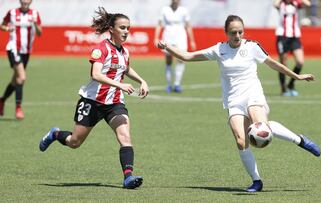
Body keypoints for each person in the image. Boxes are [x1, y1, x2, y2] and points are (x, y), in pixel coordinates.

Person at [157, 15, 320, 192]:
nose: (237, 35)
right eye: (233, 32)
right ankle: (256, 181)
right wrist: (167, 47)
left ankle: (300, 140)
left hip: (252, 94)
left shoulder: (252, 47)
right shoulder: (219, 49)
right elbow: (188, 56)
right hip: (233, 100)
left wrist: (296, 76)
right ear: (226, 33)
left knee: (262, 125)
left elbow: (273, 64)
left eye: (240, 32)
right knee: (241, 141)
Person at [38, 7, 149, 189]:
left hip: (114, 103)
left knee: (125, 136)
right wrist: (120, 85)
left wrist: (142, 80)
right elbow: (96, 74)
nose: (126, 32)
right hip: (92, 102)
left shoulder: (124, 52)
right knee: (75, 142)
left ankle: (128, 177)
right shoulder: (101, 49)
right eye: (122, 28)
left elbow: (126, 69)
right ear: (111, 29)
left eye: (128, 28)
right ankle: (55, 134)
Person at [0, 0, 42, 119]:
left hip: (26, 51)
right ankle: (18, 108)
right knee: (22, 77)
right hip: (13, 48)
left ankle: (2, 100)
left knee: (15, 80)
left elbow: (39, 33)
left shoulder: (34, 14)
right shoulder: (12, 12)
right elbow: (2, 25)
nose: (25, 1)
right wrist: (7, 29)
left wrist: (35, 23)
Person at [154, 0, 196, 93]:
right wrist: (156, 38)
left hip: (180, 37)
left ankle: (177, 84)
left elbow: (188, 26)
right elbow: (159, 24)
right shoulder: (165, 9)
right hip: (168, 36)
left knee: (181, 59)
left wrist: (192, 40)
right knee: (168, 60)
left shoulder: (184, 10)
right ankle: (169, 84)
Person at [274, 0, 311, 96]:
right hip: (283, 36)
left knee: (300, 62)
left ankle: (291, 84)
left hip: (295, 37)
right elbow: (275, 4)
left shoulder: (296, 4)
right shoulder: (281, 4)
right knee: (283, 63)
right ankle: (283, 88)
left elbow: (308, 3)